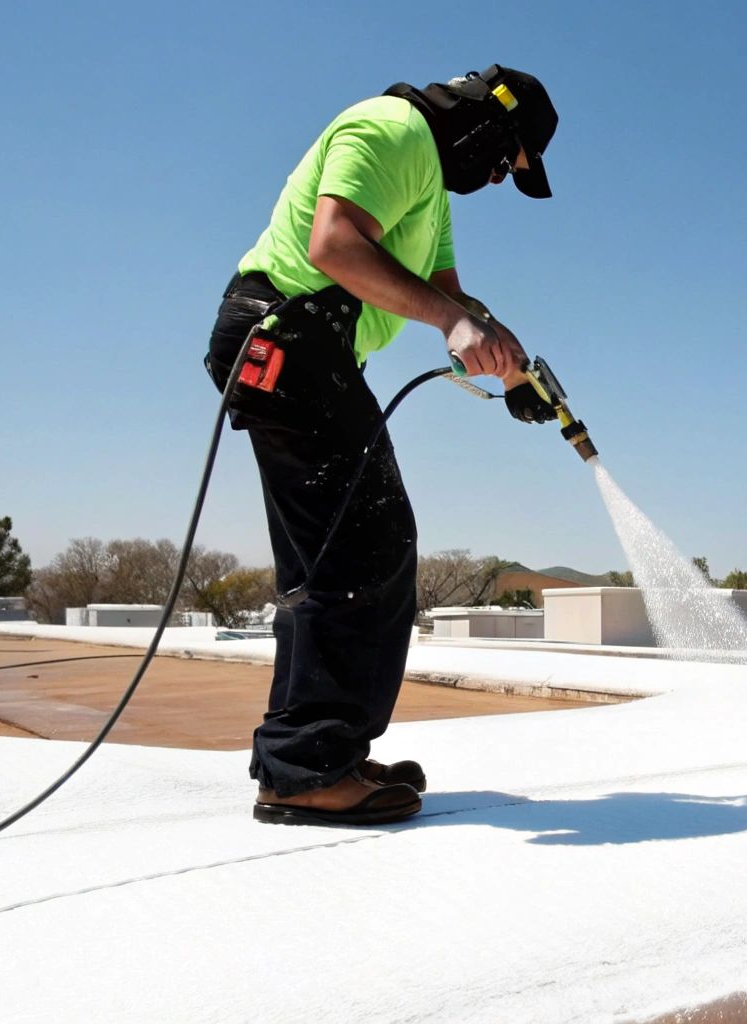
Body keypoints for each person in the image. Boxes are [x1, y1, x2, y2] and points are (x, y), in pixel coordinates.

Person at [204, 65, 560, 826]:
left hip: (309, 349)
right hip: (288, 336)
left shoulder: (427, 185)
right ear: (485, 124)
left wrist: (498, 343)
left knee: (333, 555)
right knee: (363, 548)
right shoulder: (393, 131)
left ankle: (317, 754)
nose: (497, 180)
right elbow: (334, 245)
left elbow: (447, 290)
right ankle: (306, 769)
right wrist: (450, 324)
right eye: (506, 164)